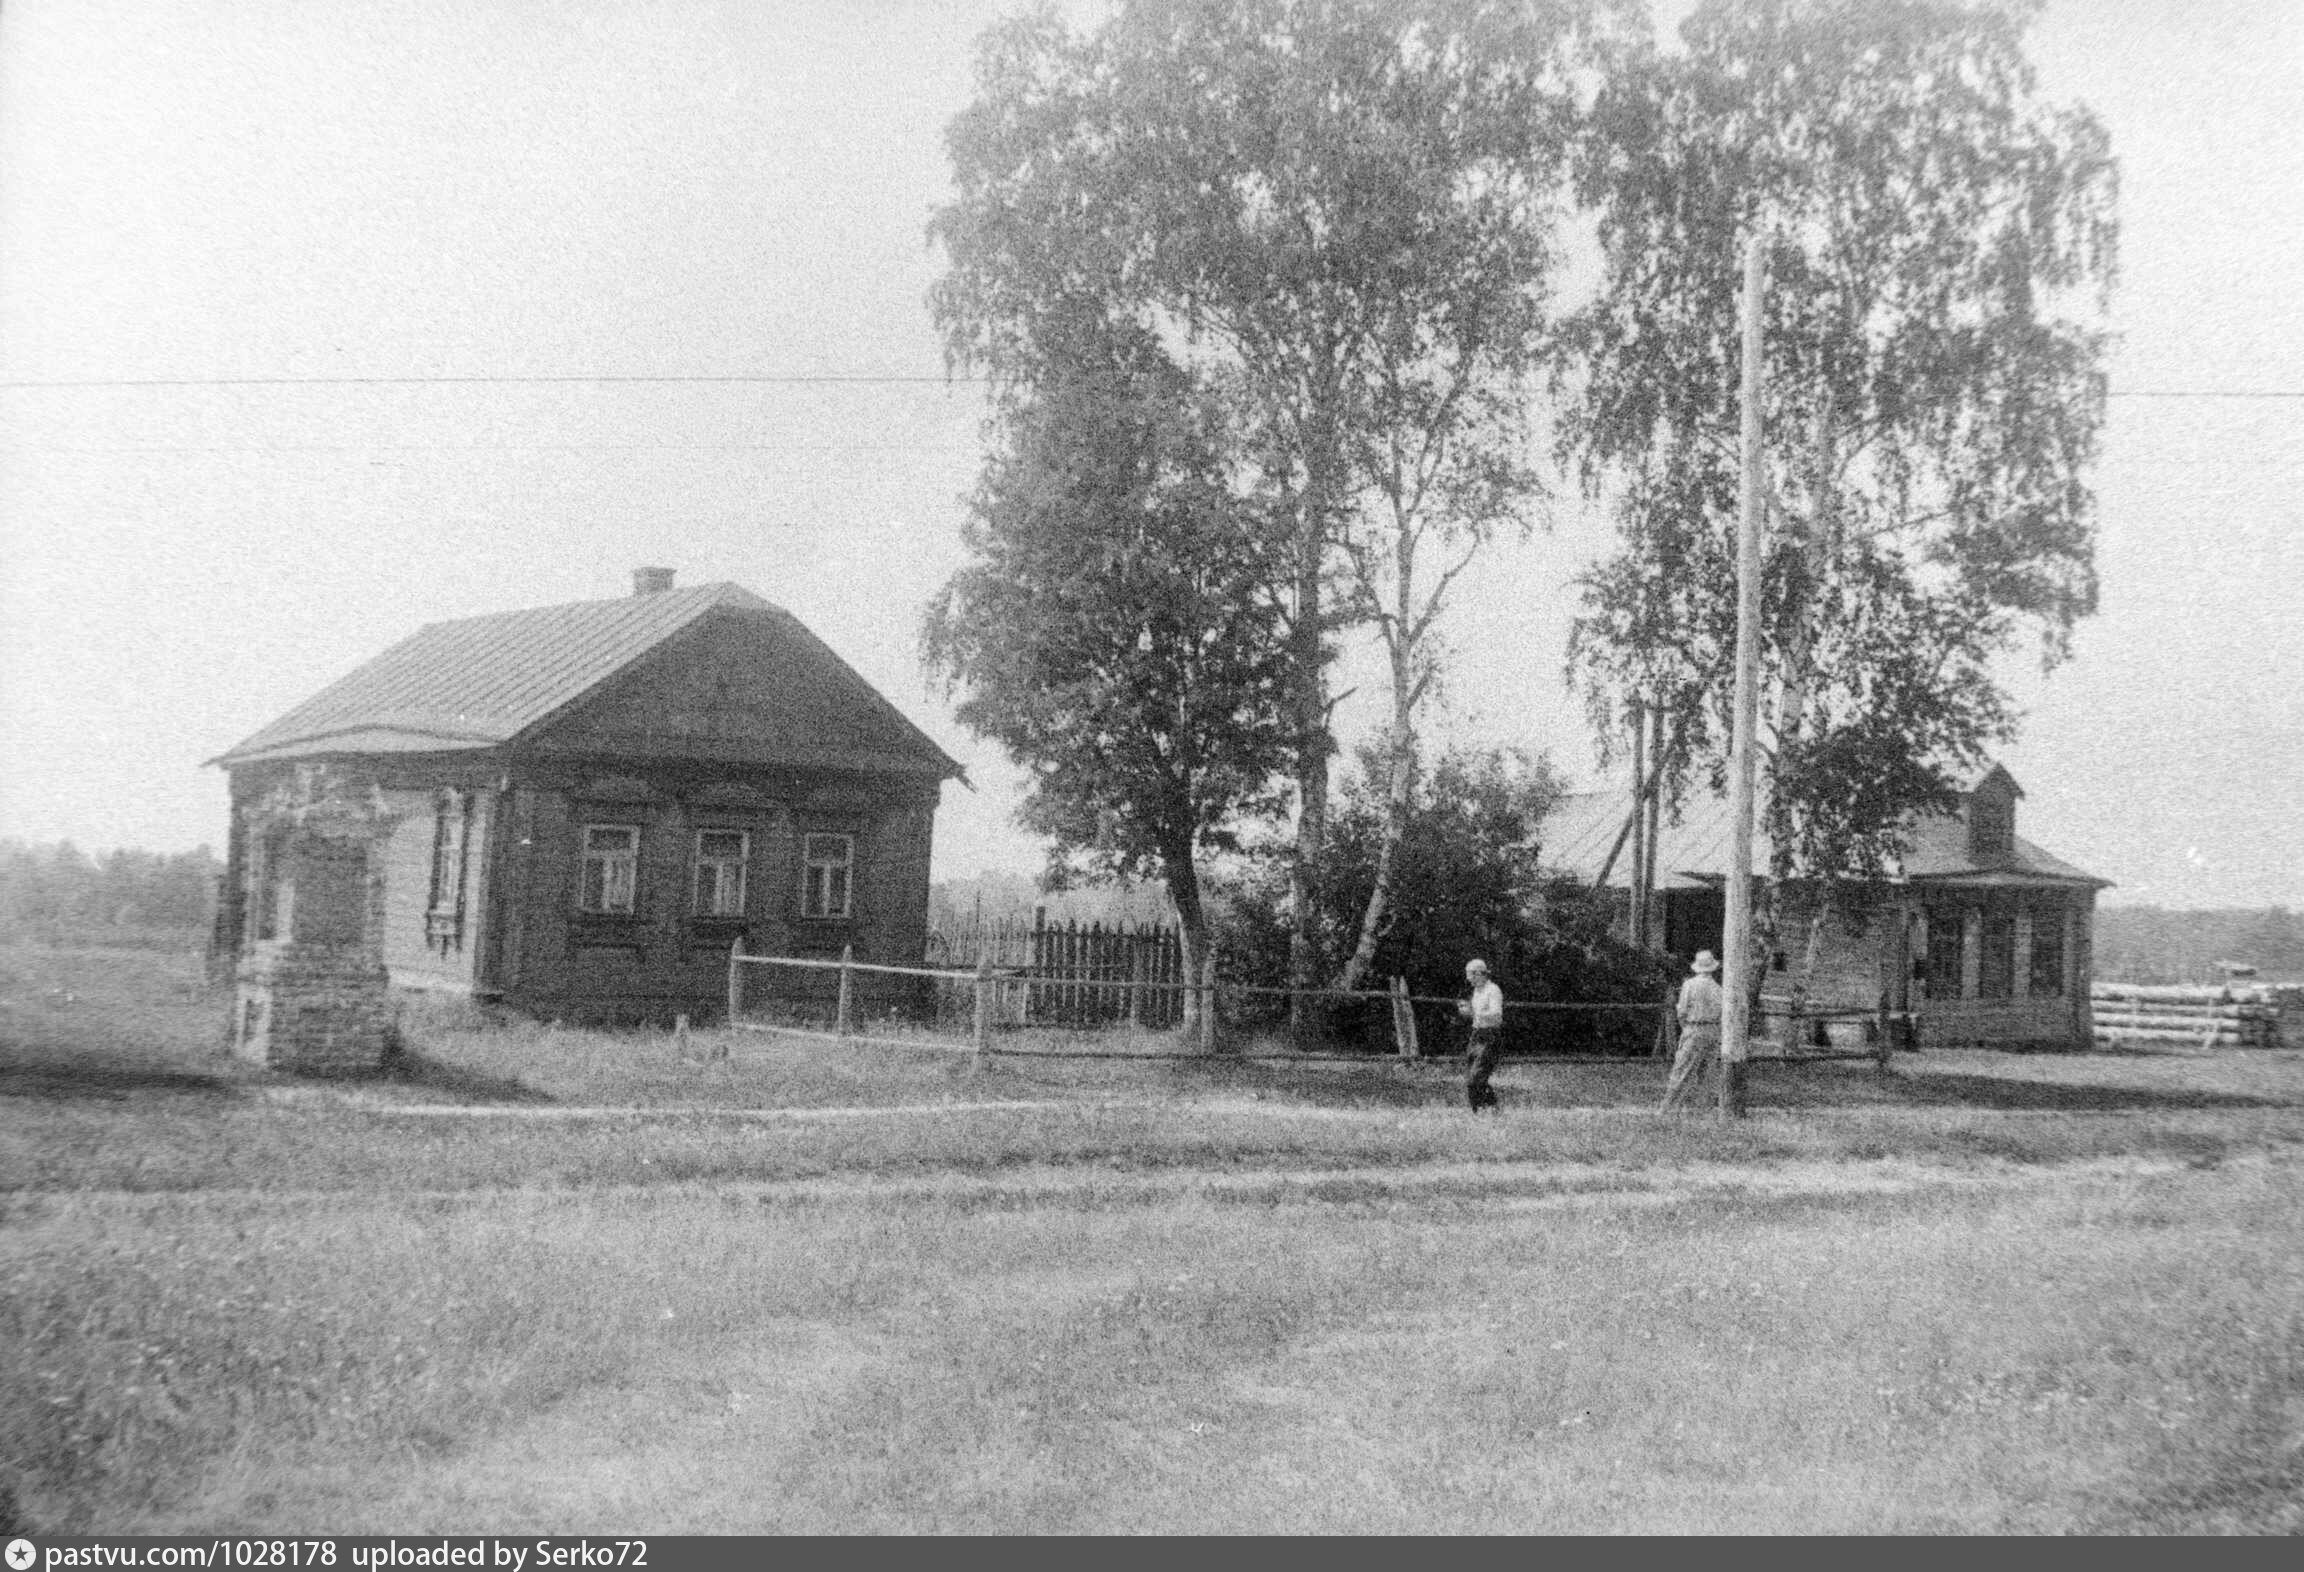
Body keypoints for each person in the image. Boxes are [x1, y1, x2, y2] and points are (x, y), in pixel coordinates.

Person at [1661, 949, 1725, 1110]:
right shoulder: (1719, 990)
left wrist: (1686, 1028)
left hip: (1694, 1029)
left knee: (1682, 1071)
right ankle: (1702, 1110)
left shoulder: (1689, 985)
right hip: (1713, 1031)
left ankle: (1668, 1108)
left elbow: (1682, 1012)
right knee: (1707, 1074)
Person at [1457, 958, 1505, 1113]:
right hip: (1476, 1034)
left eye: (1470, 974)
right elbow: (1477, 1016)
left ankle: (1489, 1108)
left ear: (1479, 973)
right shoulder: (1477, 991)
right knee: (1471, 1077)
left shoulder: (1493, 990)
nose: (1467, 978)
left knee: (1476, 1076)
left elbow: (1496, 1015)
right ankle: (1481, 1111)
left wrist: (1476, 1013)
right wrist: (1467, 1012)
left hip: (1489, 1036)